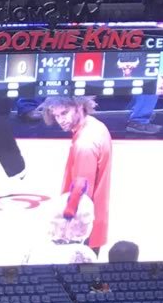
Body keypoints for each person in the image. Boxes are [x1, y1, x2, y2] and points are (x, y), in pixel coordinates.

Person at [38, 94, 112, 254]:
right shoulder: (95, 125)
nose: (60, 120)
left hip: (79, 228)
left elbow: (81, 191)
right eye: (56, 115)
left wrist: (65, 223)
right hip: (94, 219)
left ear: (79, 106)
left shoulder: (85, 144)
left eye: (64, 113)